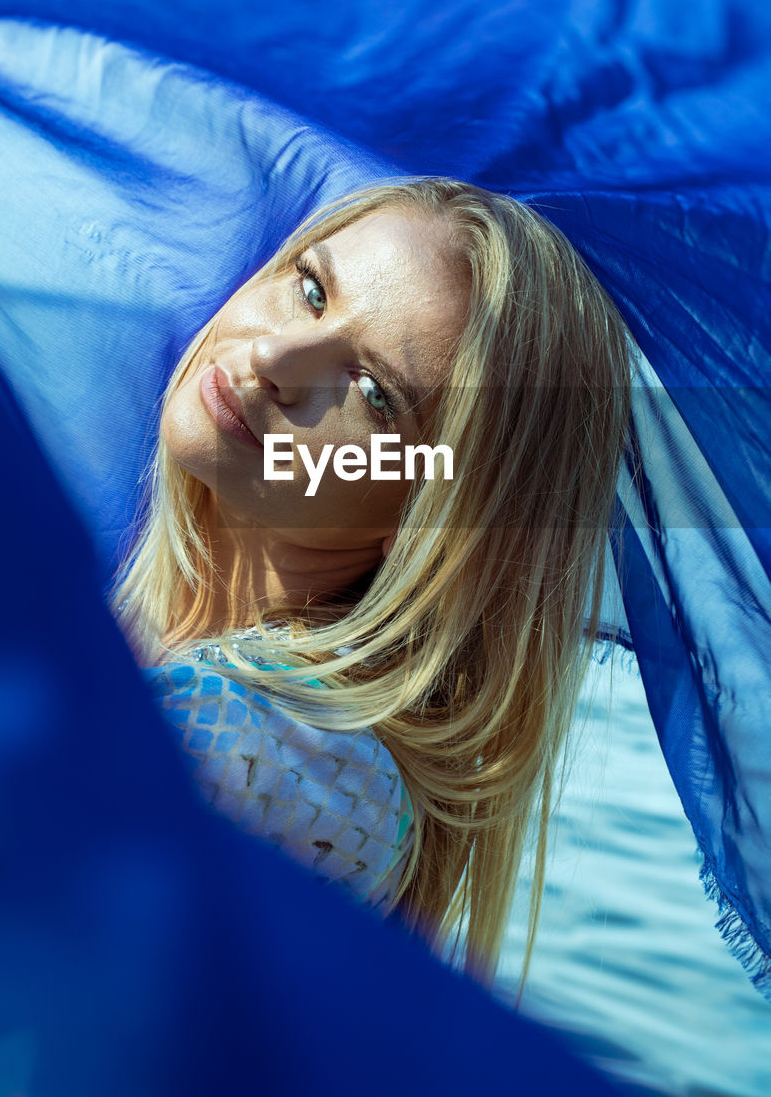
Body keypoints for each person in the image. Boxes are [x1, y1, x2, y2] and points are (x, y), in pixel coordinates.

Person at [111, 177, 637, 986]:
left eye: (371, 393)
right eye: (311, 288)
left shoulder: (272, 748)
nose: (275, 359)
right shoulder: (178, 670)